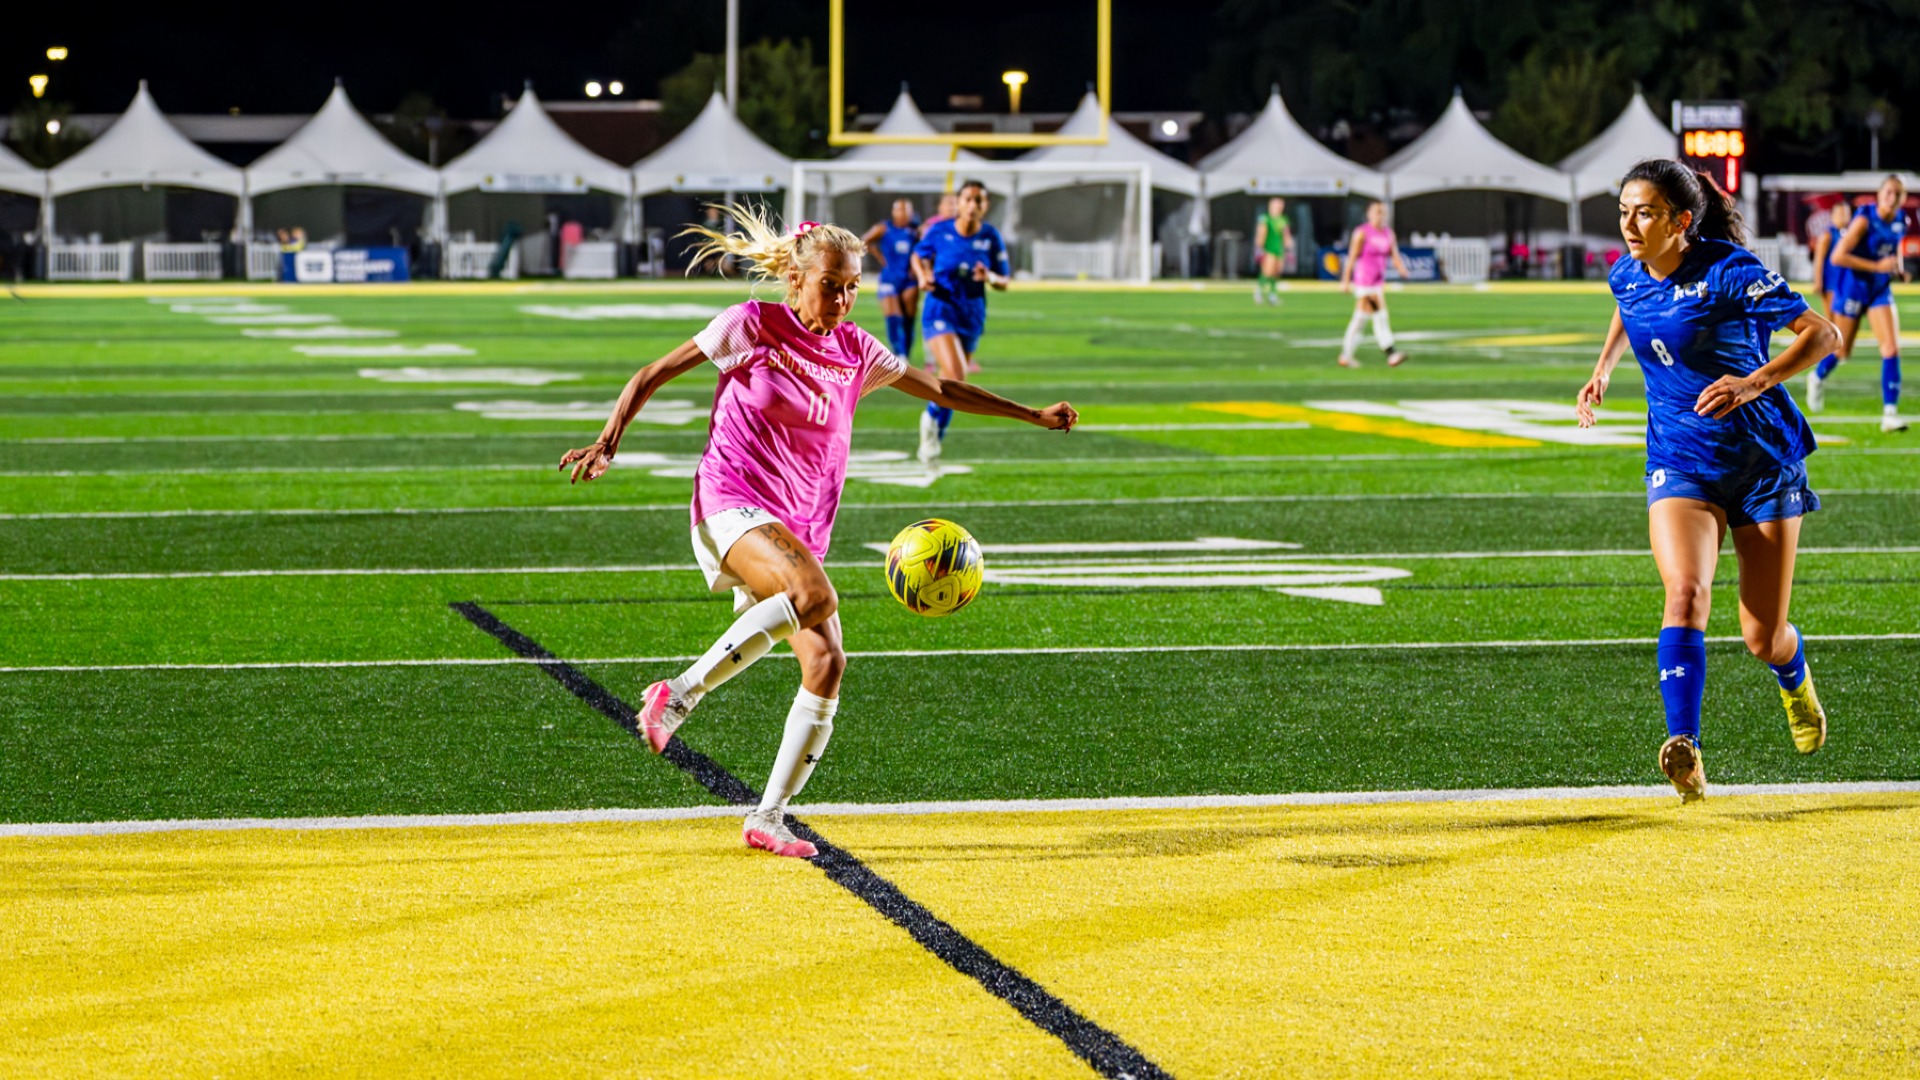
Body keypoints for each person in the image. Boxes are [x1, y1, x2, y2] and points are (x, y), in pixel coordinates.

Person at [557, 205, 1077, 857]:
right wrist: (609, 441)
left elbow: (942, 385)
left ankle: (768, 818)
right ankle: (679, 695)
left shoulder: (857, 349)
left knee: (828, 662)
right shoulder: (752, 325)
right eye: (832, 284)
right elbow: (653, 373)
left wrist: (1030, 413)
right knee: (816, 598)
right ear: (796, 279)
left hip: (799, 527)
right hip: (731, 503)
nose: (844, 296)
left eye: (853, 285)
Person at [1576, 159, 1841, 802]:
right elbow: (1627, 301)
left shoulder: (1730, 270)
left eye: (1644, 213)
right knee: (1685, 593)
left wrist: (1752, 383)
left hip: (1761, 461)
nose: (1630, 225)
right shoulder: (1626, 271)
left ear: (1681, 221)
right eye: (1623, 212)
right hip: (1680, 459)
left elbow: (1824, 335)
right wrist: (1604, 367)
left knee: (1761, 636)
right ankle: (1685, 746)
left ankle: (1793, 671)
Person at [911, 180, 1010, 467]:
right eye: (968, 199)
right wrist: (922, 277)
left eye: (979, 200)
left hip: (972, 314)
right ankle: (929, 420)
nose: (973, 205)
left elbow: (1004, 279)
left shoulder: (991, 237)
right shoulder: (940, 231)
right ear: (959, 202)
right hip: (941, 310)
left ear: (985, 205)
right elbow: (919, 255)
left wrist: (989, 277)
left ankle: (936, 431)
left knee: (953, 382)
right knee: (957, 375)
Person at [1807, 175, 1910, 431]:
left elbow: (1893, 249)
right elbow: (1839, 257)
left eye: (1897, 193)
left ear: (1902, 198)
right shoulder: (1865, 219)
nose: (1892, 197)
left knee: (1891, 349)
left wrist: (1898, 269)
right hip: (1853, 288)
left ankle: (1889, 414)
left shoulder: (1900, 221)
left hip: (1879, 290)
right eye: (1888, 191)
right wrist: (1877, 266)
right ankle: (1817, 377)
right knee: (1842, 351)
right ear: (1879, 194)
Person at [1336, 201, 1410, 368]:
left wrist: (1402, 269)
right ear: (1369, 214)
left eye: (1383, 212)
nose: (1380, 215)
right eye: (1377, 211)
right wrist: (1345, 280)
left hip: (1377, 282)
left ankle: (1346, 355)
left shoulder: (1388, 233)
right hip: (1364, 281)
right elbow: (1352, 257)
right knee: (1380, 315)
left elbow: (1394, 254)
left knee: (1361, 319)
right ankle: (1391, 353)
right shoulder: (1362, 232)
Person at [862, 198, 921, 365]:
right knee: (893, 316)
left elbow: (924, 250)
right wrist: (880, 256)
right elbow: (864, 240)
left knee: (909, 319)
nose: (903, 213)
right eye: (899, 210)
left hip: (909, 280)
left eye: (906, 210)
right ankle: (898, 354)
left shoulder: (915, 232)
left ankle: (906, 356)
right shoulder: (884, 228)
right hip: (889, 278)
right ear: (893, 212)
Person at [1809, 200, 1855, 325]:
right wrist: (1818, 282)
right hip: (1830, 283)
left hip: (1843, 282)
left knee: (1843, 320)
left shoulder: (1846, 233)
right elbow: (1818, 259)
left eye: (1846, 214)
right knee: (1832, 320)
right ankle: (1832, 344)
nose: (1844, 217)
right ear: (1833, 215)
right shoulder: (1827, 234)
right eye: (1841, 214)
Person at [1252, 197, 1293, 306]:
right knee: (1267, 272)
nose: (1279, 207)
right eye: (1277, 205)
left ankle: (1272, 295)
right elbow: (1261, 233)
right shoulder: (1265, 218)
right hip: (1268, 248)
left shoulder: (1283, 219)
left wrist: (1289, 248)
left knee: (1276, 272)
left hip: (1278, 249)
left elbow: (1286, 234)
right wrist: (1259, 248)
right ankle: (1259, 291)